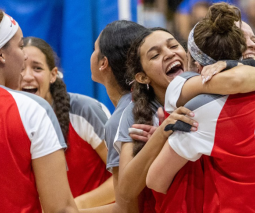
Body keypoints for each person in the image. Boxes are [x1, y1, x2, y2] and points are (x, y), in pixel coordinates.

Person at [147, 2, 255, 212]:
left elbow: (155, 180)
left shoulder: (201, 107)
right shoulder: (193, 94)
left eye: (254, 39)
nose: (252, 45)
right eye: (245, 41)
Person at [113, 27, 202, 213]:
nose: (169, 54)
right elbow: (126, 193)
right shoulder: (134, 114)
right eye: (155, 55)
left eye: (173, 46)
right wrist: (161, 135)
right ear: (142, 77)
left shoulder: (210, 89)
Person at [19, 36, 114, 209]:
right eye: (20, 69)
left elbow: (126, 178)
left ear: (53, 74)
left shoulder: (84, 111)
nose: (27, 76)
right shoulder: (10, 121)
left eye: (37, 68)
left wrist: (71, 207)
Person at [0, 10, 79, 212]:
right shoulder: (32, 109)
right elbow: (60, 208)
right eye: (19, 46)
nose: (24, 54)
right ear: (1, 54)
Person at [90, 20, 149, 212]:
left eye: (94, 49)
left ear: (103, 63)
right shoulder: (150, 100)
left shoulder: (120, 120)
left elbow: (127, 209)